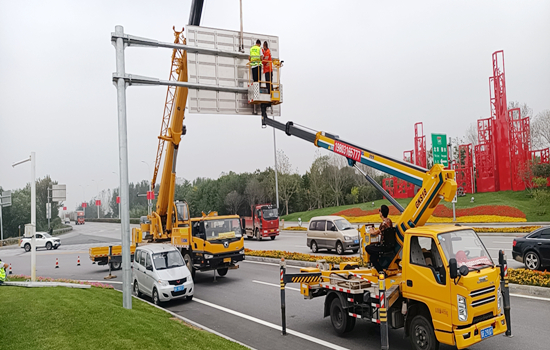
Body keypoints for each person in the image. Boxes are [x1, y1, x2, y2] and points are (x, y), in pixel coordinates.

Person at [365, 205, 395, 272]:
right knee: (373, 257)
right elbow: (381, 231)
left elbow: (374, 233)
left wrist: (370, 230)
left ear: (381, 213)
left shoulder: (383, 224)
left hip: (384, 246)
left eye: (379, 210)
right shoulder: (389, 221)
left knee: (368, 248)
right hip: (389, 245)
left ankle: (381, 271)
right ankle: (380, 269)